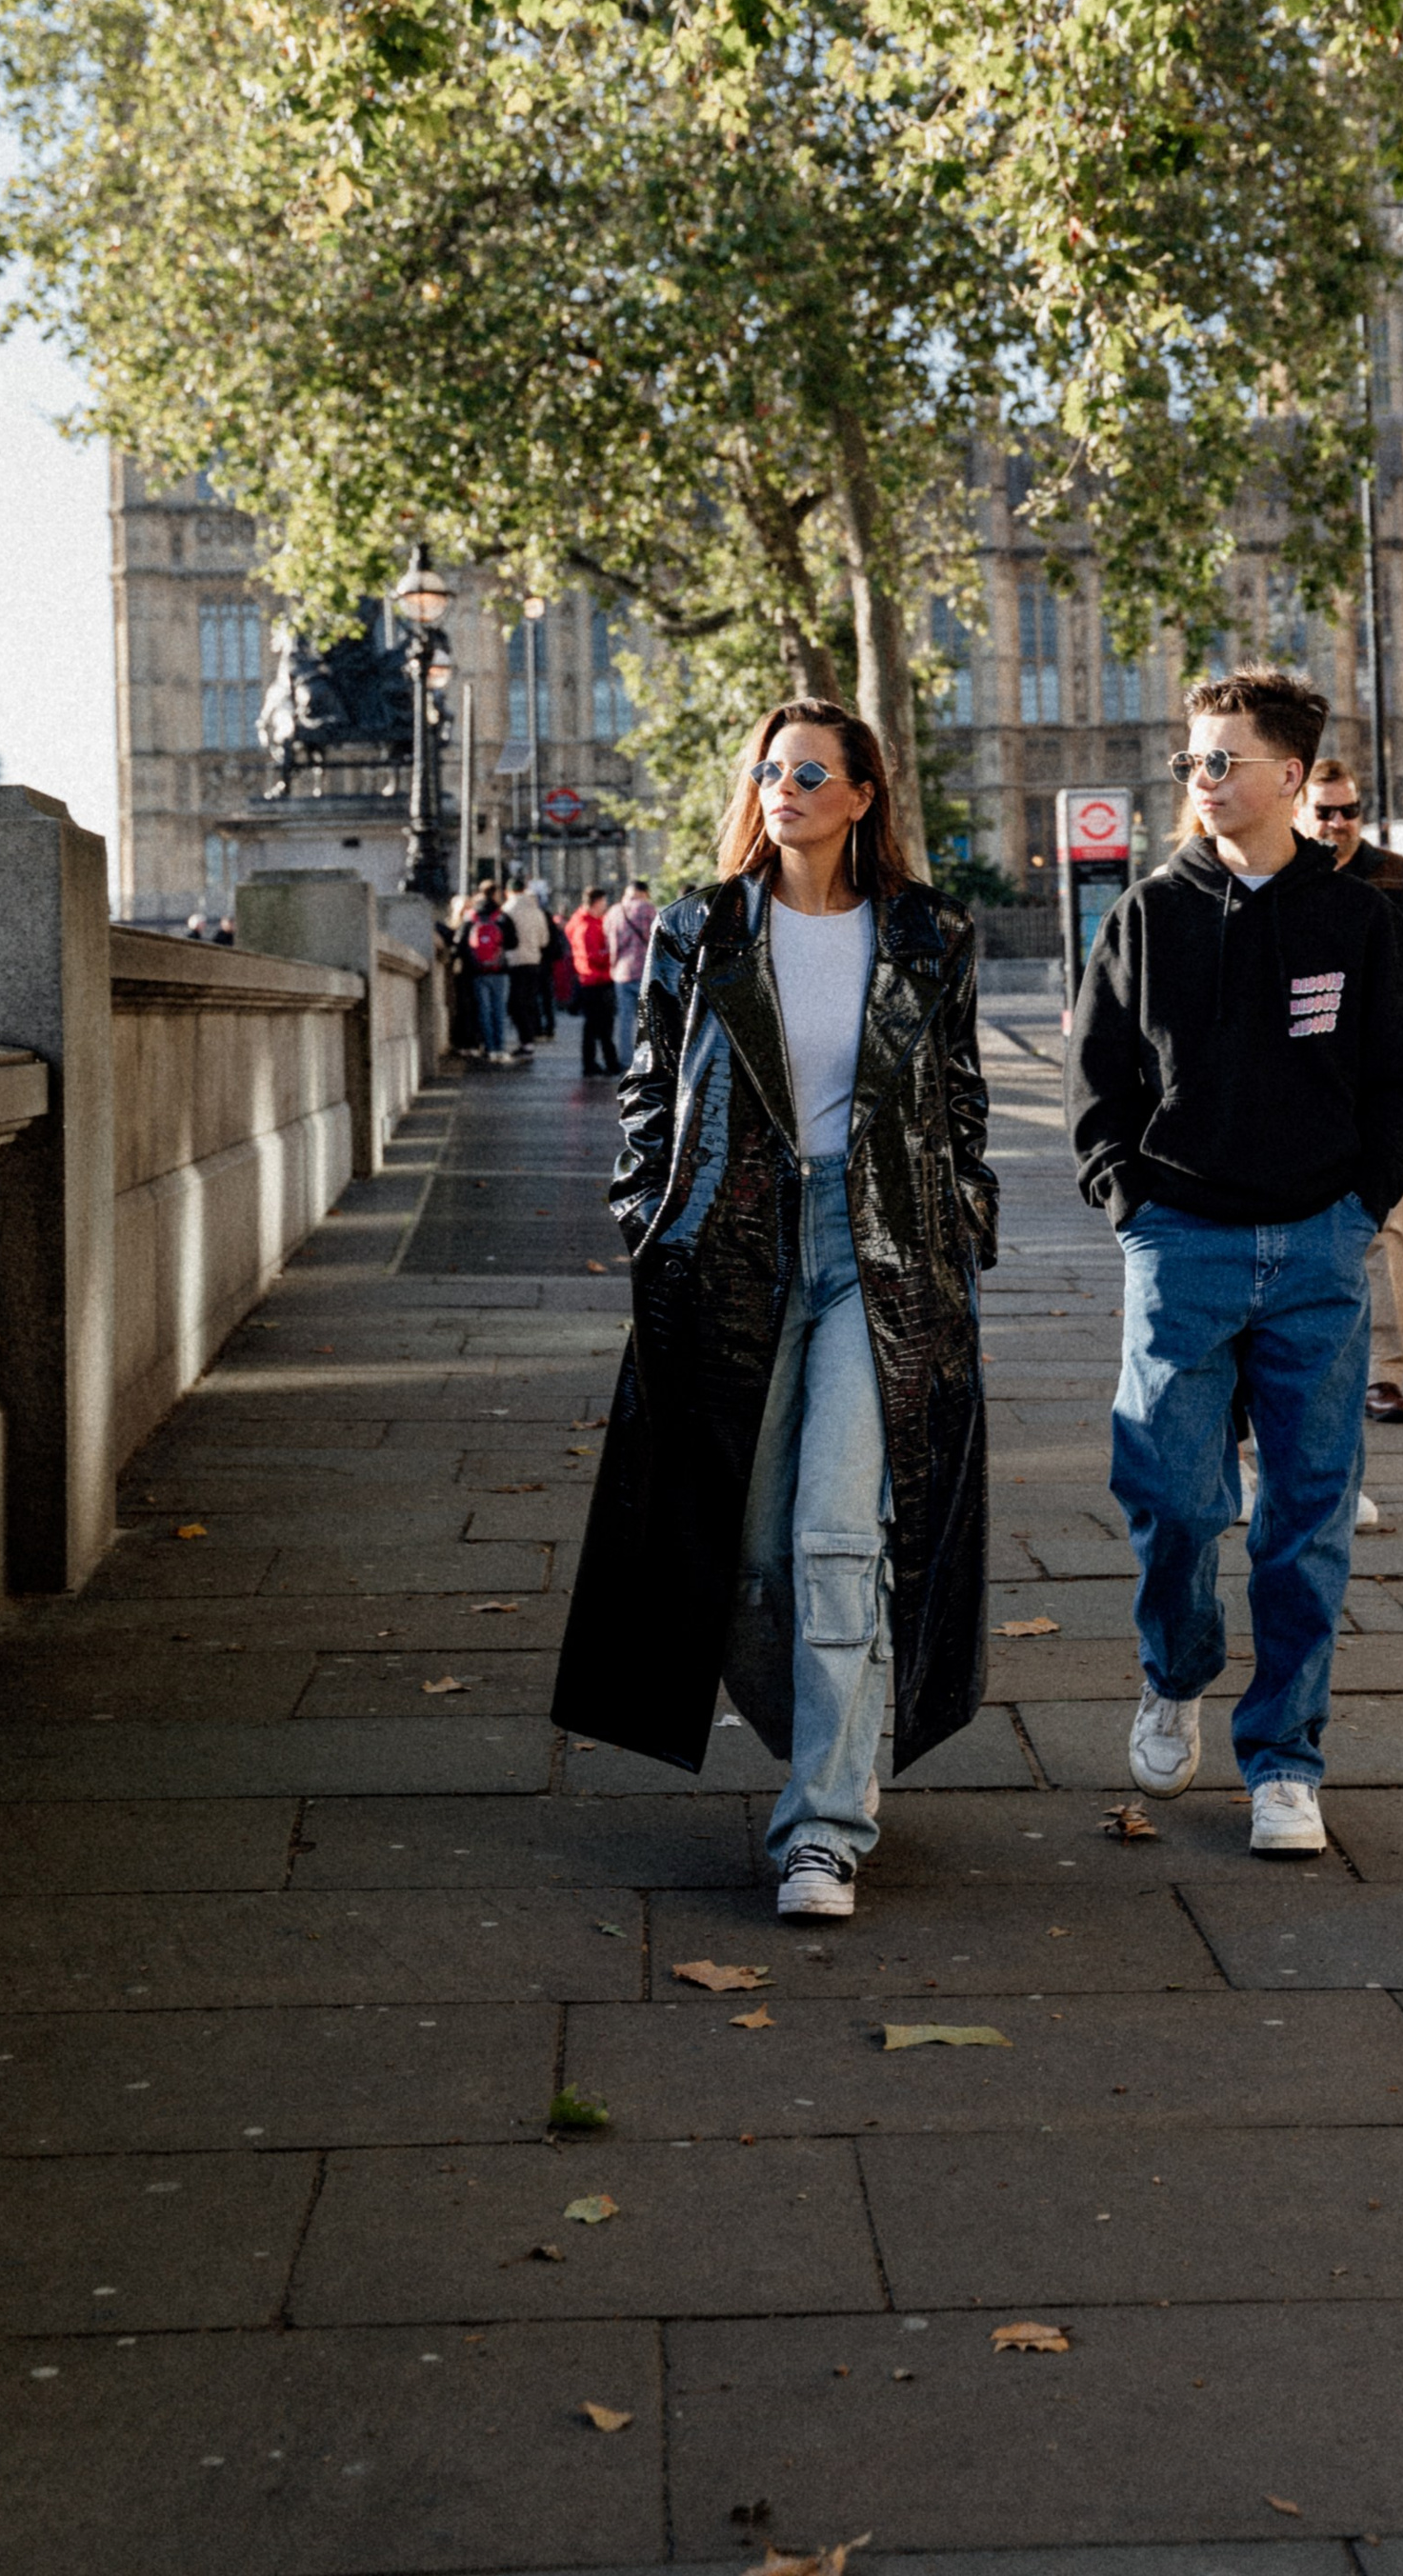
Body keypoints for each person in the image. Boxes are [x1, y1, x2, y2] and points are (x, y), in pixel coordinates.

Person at [553, 701, 995, 1924]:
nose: (784, 786)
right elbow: (650, 1085)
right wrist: (649, 1215)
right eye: (770, 768)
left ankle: (822, 1825)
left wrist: (966, 1222)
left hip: (883, 1253)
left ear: (862, 794)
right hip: (735, 1252)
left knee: (837, 1535)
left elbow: (957, 1100)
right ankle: (829, 1734)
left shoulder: (925, 933)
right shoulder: (701, 926)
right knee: (743, 1561)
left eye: (810, 770)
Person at [1066, 669, 1403, 1858]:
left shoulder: (1357, 916)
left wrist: (1354, 1206)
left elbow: (1402, 1082)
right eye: (1191, 760)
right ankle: (1174, 1669)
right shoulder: (1147, 914)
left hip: (1317, 1245)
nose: (1200, 779)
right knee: (1174, 1498)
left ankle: (1284, 1758)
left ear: (1290, 773)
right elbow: (1097, 1085)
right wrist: (1132, 1205)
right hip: (1181, 1244)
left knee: (1306, 1518)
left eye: (1221, 759)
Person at [1296, 757, 1403, 1426]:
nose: (1337, 824)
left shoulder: (1397, 878)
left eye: (1348, 811)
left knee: (1388, 1230)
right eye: (1324, 811)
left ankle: (1383, 1375)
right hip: (1306, 1088)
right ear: (1300, 809)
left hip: (1384, 1086)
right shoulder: (1285, 879)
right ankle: (1313, 1367)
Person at [454, 880, 517, 1063]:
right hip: (500, 970)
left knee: (484, 1010)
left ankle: (489, 1047)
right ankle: (500, 1048)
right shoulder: (502, 918)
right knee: (499, 1010)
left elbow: (460, 944)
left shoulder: (470, 917)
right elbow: (513, 943)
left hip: (477, 971)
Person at [569, 884, 621, 1075]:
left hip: (589, 980)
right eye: (604, 902)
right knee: (602, 1025)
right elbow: (594, 956)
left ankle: (595, 1063)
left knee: (594, 1026)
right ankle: (607, 1062)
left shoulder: (580, 922)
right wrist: (611, 955)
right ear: (597, 902)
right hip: (597, 980)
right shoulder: (588, 926)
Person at [607, 877, 656, 1071]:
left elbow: (610, 943)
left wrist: (613, 966)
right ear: (644, 893)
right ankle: (650, 1061)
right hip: (646, 971)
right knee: (649, 1018)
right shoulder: (648, 909)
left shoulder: (614, 911)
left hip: (621, 972)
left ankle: (626, 1061)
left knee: (625, 1019)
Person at [503, 870, 551, 1056]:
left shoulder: (507, 910)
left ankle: (525, 1040)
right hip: (534, 960)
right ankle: (530, 1038)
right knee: (530, 1001)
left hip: (514, 961)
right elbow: (544, 940)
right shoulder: (537, 911)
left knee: (515, 1003)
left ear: (508, 892)